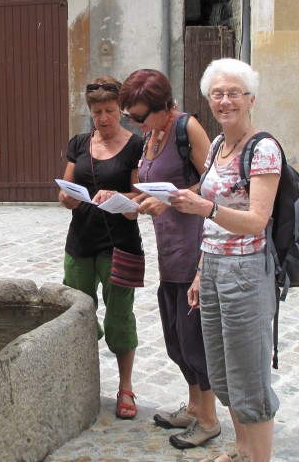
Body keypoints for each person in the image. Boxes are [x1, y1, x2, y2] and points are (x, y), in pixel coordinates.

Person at [168, 58, 281, 462]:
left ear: (251, 99)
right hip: (214, 268)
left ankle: (259, 458)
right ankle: (241, 448)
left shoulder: (263, 149)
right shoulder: (217, 145)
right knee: (222, 370)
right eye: (217, 93)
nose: (225, 100)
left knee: (249, 375)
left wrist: (206, 208)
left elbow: (256, 222)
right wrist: (200, 271)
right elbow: (212, 228)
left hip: (246, 272)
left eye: (234, 93)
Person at [118, 69, 221, 449]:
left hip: (195, 248)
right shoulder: (152, 134)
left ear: (165, 108)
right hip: (169, 251)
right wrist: (126, 202)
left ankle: (209, 419)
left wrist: (171, 199)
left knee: (194, 339)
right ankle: (194, 406)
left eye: (140, 115)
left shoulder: (186, 128)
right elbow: (150, 188)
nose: (134, 121)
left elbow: (214, 184)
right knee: (176, 339)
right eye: (131, 115)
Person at [59, 76, 145, 420]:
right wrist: (67, 198)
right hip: (80, 243)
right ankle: (84, 380)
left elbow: (142, 197)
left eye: (110, 111)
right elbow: (65, 188)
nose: (104, 118)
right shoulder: (79, 143)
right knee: (78, 315)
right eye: (97, 112)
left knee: (119, 318)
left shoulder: (136, 146)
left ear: (121, 110)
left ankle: (125, 387)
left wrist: (120, 197)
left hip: (120, 246)